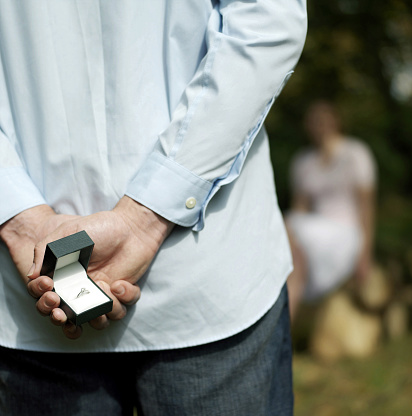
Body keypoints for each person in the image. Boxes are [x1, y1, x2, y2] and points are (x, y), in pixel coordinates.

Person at [0, 1, 307, 415]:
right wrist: (20, 218)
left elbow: (267, 21)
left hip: (207, 285)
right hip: (199, 275)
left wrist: (22, 215)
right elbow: (267, 22)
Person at [286, 100, 377, 319]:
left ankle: (284, 326)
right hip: (313, 234)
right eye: (313, 122)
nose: (318, 126)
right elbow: (300, 210)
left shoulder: (356, 153)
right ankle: (284, 323)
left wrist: (365, 254)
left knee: (286, 230)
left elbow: (366, 208)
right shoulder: (303, 162)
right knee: (291, 252)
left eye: (323, 120)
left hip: (345, 234)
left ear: (336, 121)